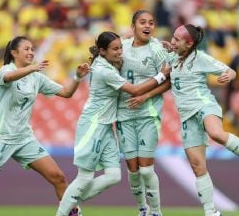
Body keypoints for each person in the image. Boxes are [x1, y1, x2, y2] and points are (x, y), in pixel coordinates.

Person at [128, 24, 239, 216]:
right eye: (174, 37)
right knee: (197, 166)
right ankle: (211, 211)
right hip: (187, 116)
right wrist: (160, 45)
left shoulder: (201, 59)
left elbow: (230, 71)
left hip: (204, 105)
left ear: (189, 43)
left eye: (178, 39)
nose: (174, 41)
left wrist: (229, 75)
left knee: (215, 133)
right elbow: (165, 73)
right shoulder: (172, 57)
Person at [0, 36, 90, 216]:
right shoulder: (7, 70)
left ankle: (73, 214)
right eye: (26, 49)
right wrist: (31, 68)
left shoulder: (36, 77)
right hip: (1, 136)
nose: (31, 52)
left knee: (58, 177)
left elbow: (66, 92)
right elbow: (9, 76)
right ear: (14, 53)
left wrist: (77, 77)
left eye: (32, 49)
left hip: (24, 138)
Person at [56, 31, 170, 216]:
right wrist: (161, 76)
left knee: (114, 176)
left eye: (120, 48)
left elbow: (128, 38)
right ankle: (63, 212)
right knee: (84, 178)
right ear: (102, 51)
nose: (120, 52)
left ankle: (71, 202)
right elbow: (134, 90)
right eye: (115, 49)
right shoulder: (103, 70)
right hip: (93, 125)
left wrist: (156, 43)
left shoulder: (109, 61)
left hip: (107, 126)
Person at [116, 10, 168, 216]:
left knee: (146, 169)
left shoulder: (157, 50)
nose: (148, 26)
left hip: (148, 113)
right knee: (133, 170)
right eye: (143, 22)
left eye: (151, 23)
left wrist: (145, 97)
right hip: (123, 115)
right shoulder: (122, 48)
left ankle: (156, 211)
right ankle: (142, 209)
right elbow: (103, 53)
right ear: (133, 26)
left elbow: (169, 81)